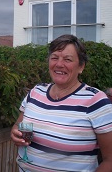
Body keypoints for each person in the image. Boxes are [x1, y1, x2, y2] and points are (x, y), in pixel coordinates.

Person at [10, 34, 112, 171]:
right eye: (54, 58)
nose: (59, 64)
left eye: (68, 59)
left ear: (81, 66)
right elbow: (18, 125)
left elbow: (109, 160)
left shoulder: (96, 101)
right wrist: (15, 133)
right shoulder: (36, 92)